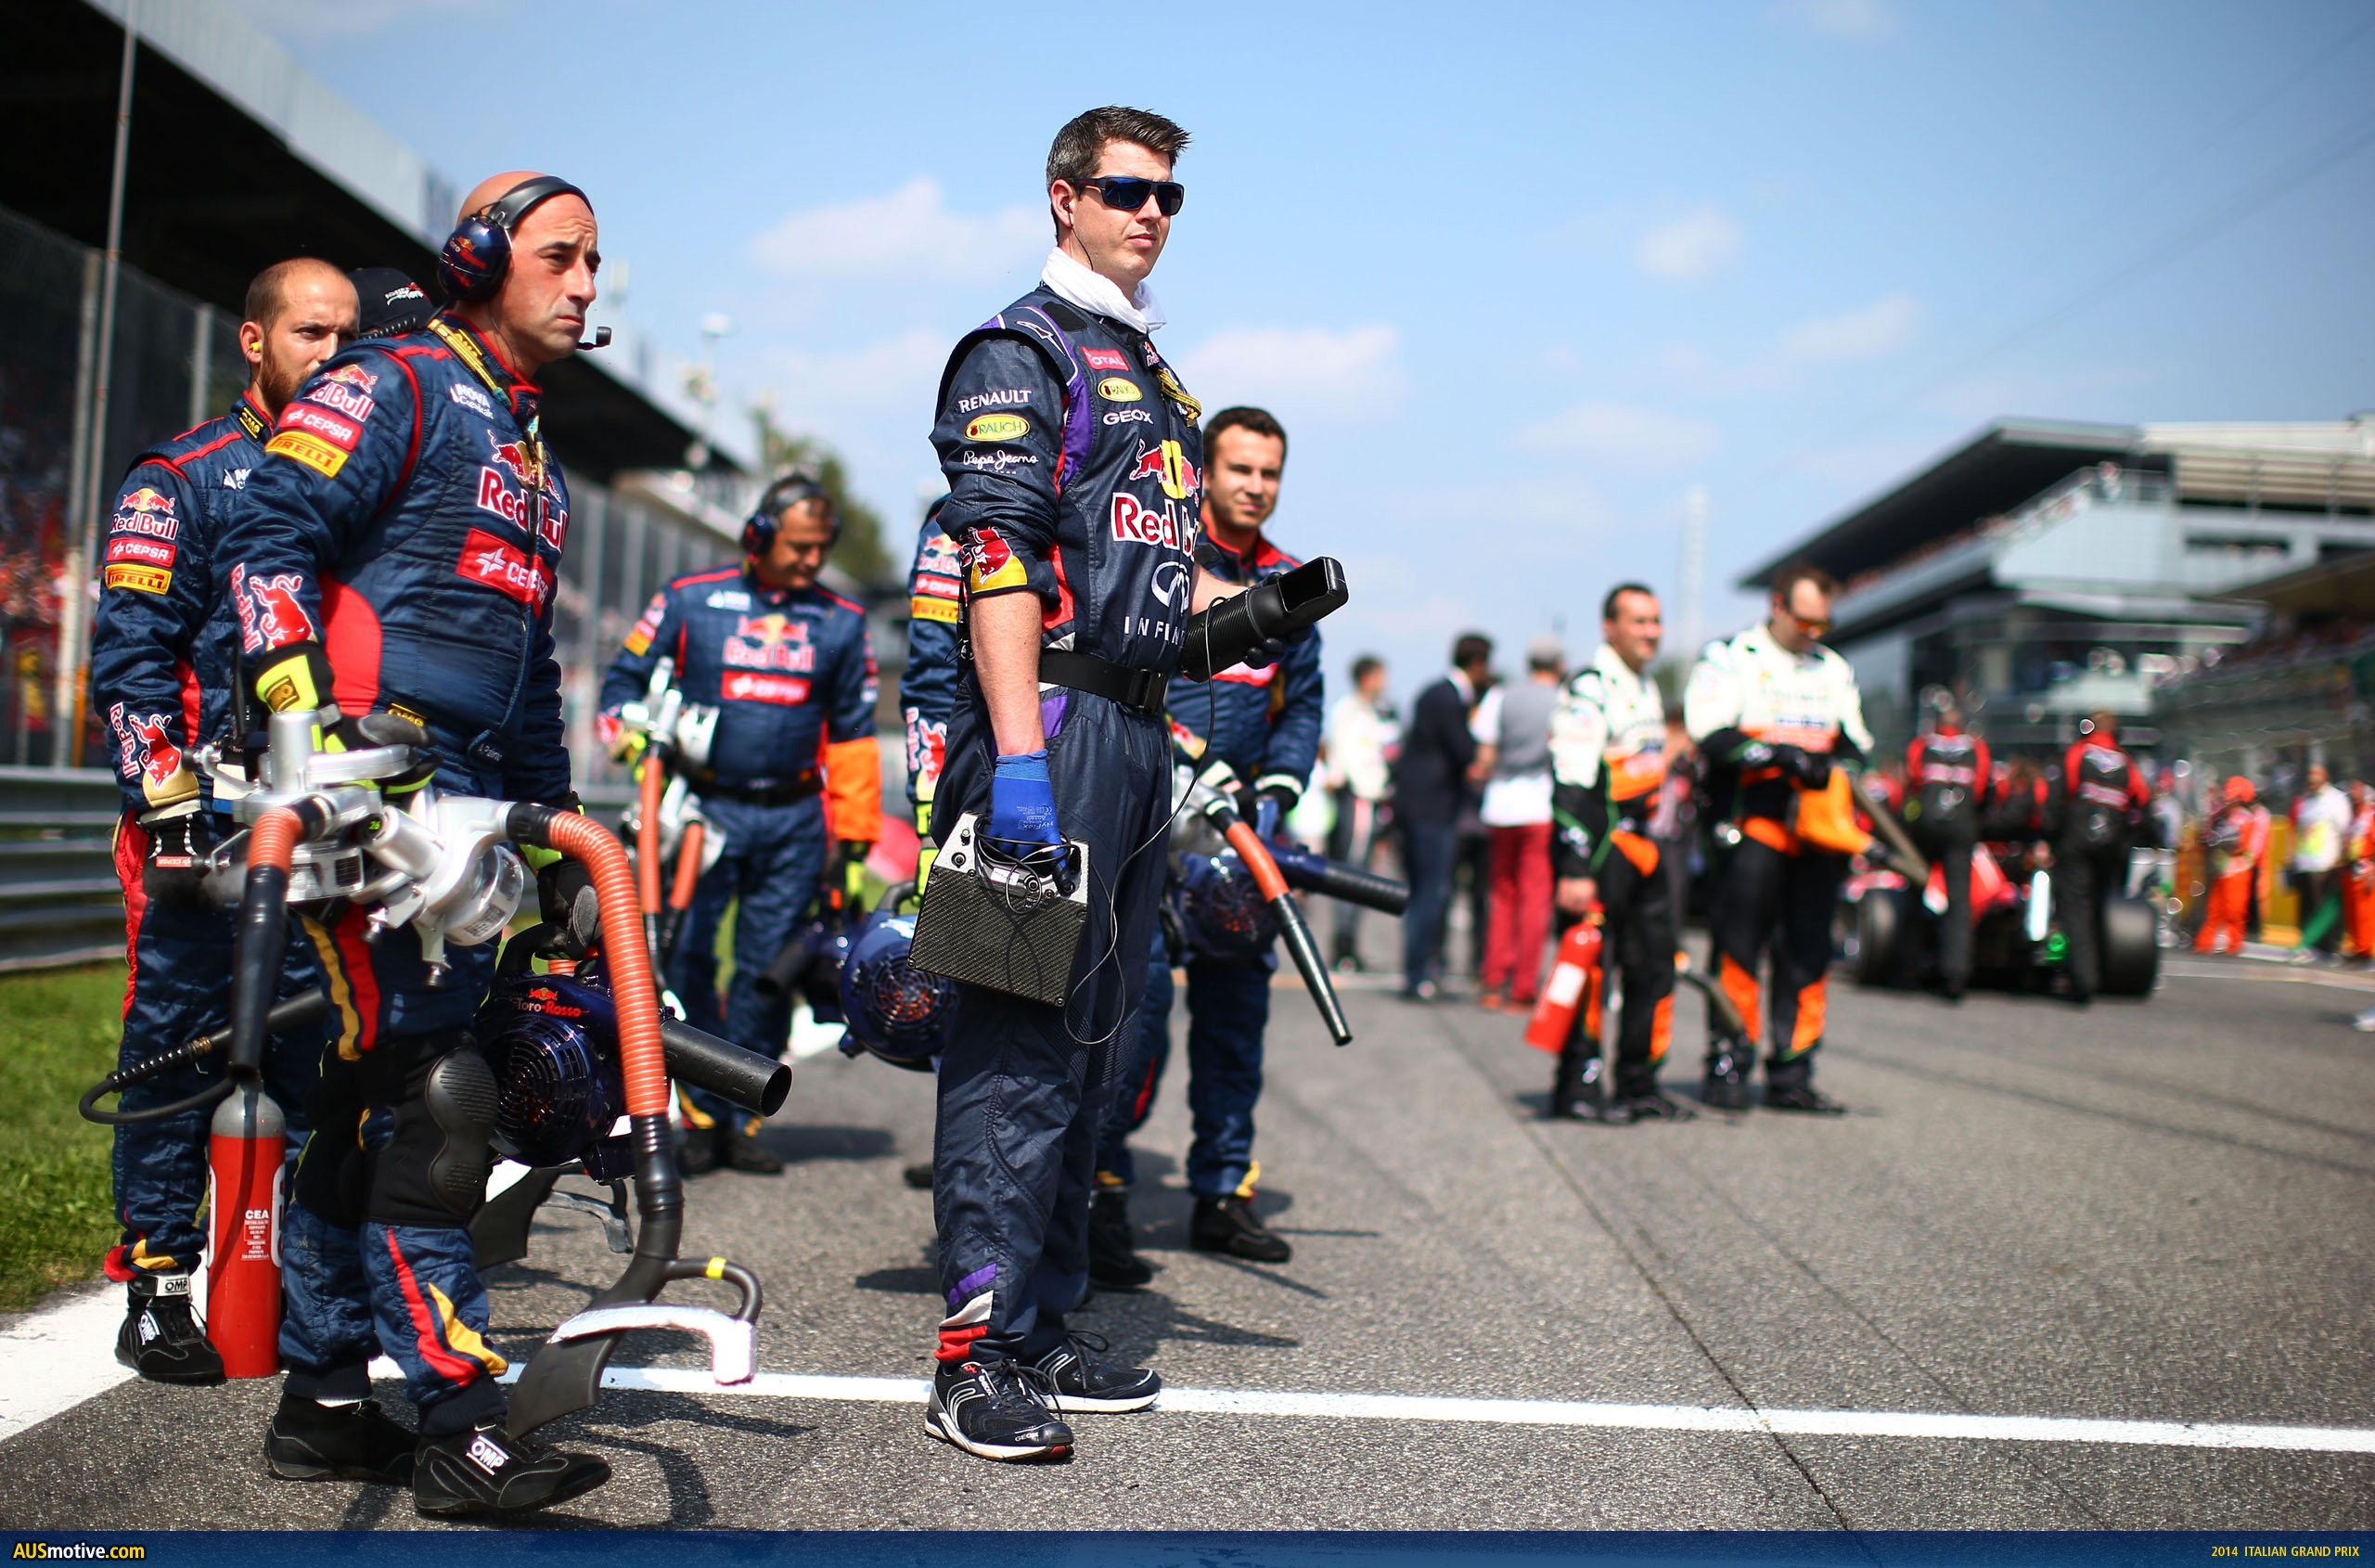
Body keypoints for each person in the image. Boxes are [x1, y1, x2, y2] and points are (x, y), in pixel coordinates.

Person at [224, 172, 611, 1515]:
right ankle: (461, 1416)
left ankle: (328, 1399)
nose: (584, 285)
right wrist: (310, 741)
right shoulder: (392, 381)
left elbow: (530, 666)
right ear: (482, 258)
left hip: (478, 807)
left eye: (595, 264)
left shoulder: (534, 447)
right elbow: (265, 542)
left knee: (364, 1095)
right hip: (367, 791)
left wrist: (559, 840)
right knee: (436, 1099)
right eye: (561, 256)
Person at [923, 106, 1240, 1462]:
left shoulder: (1155, 370)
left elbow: (1145, 578)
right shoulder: (1021, 347)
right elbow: (997, 559)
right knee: (1011, 1046)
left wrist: (1258, 609)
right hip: (1045, 726)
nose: (1151, 211)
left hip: (1137, 732)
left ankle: (1041, 1318)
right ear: (1064, 197)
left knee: (1091, 1044)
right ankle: (972, 1355)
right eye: (1125, 189)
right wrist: (1018, 767)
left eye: (1169, 194)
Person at [88, 258, 355, 1386]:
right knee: (179, 1045)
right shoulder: (181, 478)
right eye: (310, 333)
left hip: (320, 818)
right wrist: (167, 803)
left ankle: (280, 1278)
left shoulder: (360, 479)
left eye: (347, 337)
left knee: (312, 1048)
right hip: (200, 819)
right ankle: (155, 1286)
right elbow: (130, 654)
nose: (333, 357)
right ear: (255, 340)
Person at [1087, 405, 1317, 1289]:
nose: (1255, 487)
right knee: (1130, 1017)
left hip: (1238, 844)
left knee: (1236, 1020)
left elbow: (1302, 708)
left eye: (1269, 473)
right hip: (1151, 821)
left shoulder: (1292, 584)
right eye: (1240, 470)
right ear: (1206, 474)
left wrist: (1277, 793)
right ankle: (1103, 1190)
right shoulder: (1162, 557)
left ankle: (1223, 1190)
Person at [597, 475, 880, 1174]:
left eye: (822, 549)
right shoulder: (689, 599)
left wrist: (854, 843)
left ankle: (742, 1117)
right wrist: (635, 737)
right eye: (800, 547)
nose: (813, 561)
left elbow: (853, 737)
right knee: (690, 956)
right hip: (702, 813)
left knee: (766, 970)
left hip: (793, 821)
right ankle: (699, 1113)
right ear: (759, 535)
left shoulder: (843, 622)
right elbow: (620, 684)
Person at [1685, 561, 1871, 1113]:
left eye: (1822, 624)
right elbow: (1709, 733)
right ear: (1777, 606)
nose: (1813, 632)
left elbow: (1857, 744)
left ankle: (1793, 1072)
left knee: (1808, 953)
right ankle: (1729, 1061)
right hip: (1751, 827)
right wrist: (1779, 755)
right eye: (1804, 621)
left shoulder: (1832, 668)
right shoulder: (1731, 656)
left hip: (1815, 835)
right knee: (1738, 950)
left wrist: (1833, 763)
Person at [1547, 585, 1688, 1122]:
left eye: (1656, 621)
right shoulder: (1590, 686)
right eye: (1638, 621)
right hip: (1600, 850)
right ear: (1610, 627)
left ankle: (1638, 1083)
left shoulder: (1645, 685)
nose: (1651, 632)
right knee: (1588, 970)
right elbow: (1570, 783)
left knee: (1653, 965)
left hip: (1645, 846)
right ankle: (1577, 1086)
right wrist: (1575, 866)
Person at [1394, 633, 1491, 999]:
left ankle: (1416, 968)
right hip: (1433, 807)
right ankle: (1419, 972)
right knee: (1431, 891)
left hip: (1413, 802)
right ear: (1478, 664)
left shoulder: (1432, 692)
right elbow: (1463, 750)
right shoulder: (1452, 698)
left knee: (1420, 889)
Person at [1470, 636, 1564, 1009]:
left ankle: (1493, 980)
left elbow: (1485, 754)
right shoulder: (1562, 699)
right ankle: (1523, 986)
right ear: (1558, 665)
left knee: (1502, 895)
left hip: (1501, 803)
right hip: (1539, 803)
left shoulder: (1500, 697)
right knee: (1534, 899)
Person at [2056, 712, 2152, 1003]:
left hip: (2077, 843)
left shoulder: (2078, 753)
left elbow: (2063, 795)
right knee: (2102, 905)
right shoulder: (2126, 761)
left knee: (2076, 909)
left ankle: (2082, 978)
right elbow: (2143, 802)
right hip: (2111, 847)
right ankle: (2101, 969)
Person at [1903, 703, 1993, 1001]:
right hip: (1962, 827)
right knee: (1959, 902)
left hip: (1927, 827)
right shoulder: (1977, 748)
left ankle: (1908, 968)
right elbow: (1981, 790)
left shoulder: (1921, 745)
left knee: (1915, 891)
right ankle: (1955, 975)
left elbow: (1913, 783)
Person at [1322, 655, 1397, 970]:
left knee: (1361, 871)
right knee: (1351, 872)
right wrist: (1369, 787)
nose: (1385, 683)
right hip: (1357, 799)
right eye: (1381, 675)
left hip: (1368, 799)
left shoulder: (1374, 711)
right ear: (1367, 677)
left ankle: (1349, 944)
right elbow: (1348, 760)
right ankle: (1344, 947)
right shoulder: (1350, 711)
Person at [2196, 776, 2269, 956]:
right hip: (2221, 868)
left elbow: (2242, 844)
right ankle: (2205, 943)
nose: (2226, 798)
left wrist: (2218, 841)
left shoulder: (2245, 818)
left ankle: (2233, 943)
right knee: (2214, 909)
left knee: (2234, 910)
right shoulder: (2222, 816)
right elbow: (2209, 837)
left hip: (2237, 868)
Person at [2290, 762, 2350, 958]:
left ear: (2325, 778)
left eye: (2315, 778)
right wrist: (2292, 857)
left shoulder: (2336, 800)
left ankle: (2330, 947)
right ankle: (2310, 945)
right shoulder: (2305, 800)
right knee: (2307, 907)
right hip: (2305, 862)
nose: (2311, 782)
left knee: (2324, 908)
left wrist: (2340, 857)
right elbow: (2298, 830)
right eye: (2309, 779)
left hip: (2326, 863)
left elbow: (2345, 831)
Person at [2345, 779, 2375, 963]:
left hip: (2365, 868)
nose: (2353, 797)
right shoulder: (2354, 816)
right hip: (2351, 868)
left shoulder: (2371, 816)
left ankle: (2365, 951)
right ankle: (2357, 946)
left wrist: (2372, 871)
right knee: (2353, 911)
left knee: (2364, 912)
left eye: (2356, 794)